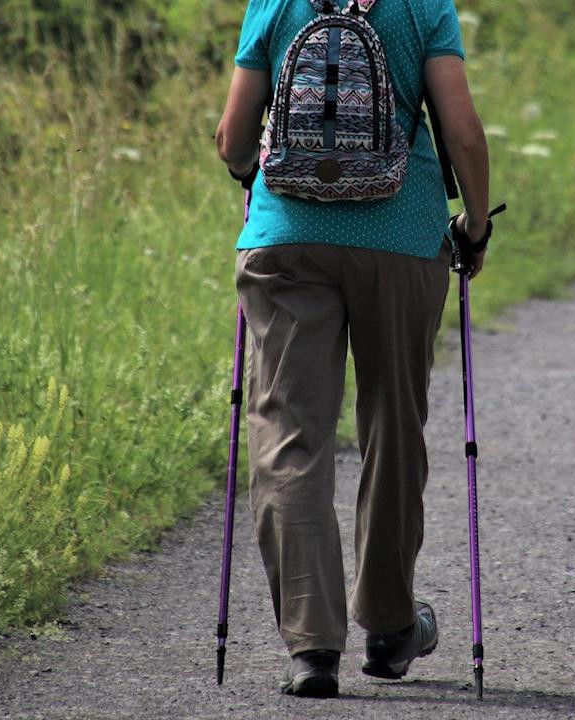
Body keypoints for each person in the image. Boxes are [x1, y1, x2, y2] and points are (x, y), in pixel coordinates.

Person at [214, 0, 491, 700]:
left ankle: (312, 646)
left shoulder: (274, 2)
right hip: (401, 238)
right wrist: (476, 226)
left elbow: (232, 138)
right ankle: (391, 625)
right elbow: (461, 132)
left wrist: (256, 175)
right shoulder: (423, 4)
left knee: (289, 435)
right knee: (392, 426)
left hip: (289, 238)